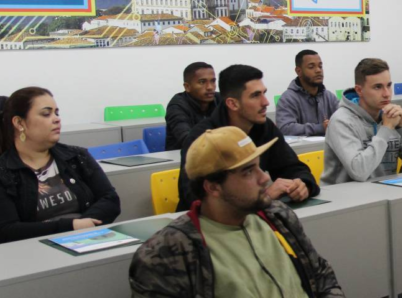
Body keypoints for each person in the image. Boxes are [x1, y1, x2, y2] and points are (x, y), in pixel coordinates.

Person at [129, 127, 343, 297]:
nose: (264, 178)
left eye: (259, 167)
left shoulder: (277, 216)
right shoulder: (166, 253)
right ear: (212, 187)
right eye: (248, 172)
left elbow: (322, 276)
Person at [177, 65, 319, 211]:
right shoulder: (203, 138)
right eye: (255, 95)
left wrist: (302, 184)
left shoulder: (264, 127)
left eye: (264, 93)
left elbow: (292, 167)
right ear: (233, 103)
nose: (266, 102)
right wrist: (263, 196)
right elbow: (195, 199)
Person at [0, 87, 120, 243]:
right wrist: (72, 226)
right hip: (34, 251)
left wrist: (83, 228)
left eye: (57, 113)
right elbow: (7, 230)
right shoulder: (4, 171)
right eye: (46, 114)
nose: (56, 119)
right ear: (19, 122)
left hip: (89, 239)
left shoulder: (77, 156)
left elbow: (110, 199)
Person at [321, 58, 402, 184]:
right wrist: (386, 129)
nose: (386, 94)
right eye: (378, 87)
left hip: (384, 192)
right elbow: (359, 172)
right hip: (343, 198)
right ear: (359, 90)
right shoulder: (341, 121)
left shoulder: (391, 116)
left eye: (388, 85)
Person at [276, 49, 340, 136]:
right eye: (311, 67)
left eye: (320, 66)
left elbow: (344, 119)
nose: (318, 70)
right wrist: (320, 128)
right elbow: (285, 128)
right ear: (299, 71)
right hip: (303, 149)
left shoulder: (329, 96)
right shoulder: (287, 99)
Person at [165, 62, 223, 151]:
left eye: (213, 81)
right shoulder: (177, 106)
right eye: (202, 82)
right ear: (187, 87)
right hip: (184, 158)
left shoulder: (221, 99)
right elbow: (187, 139)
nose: (210, 87)